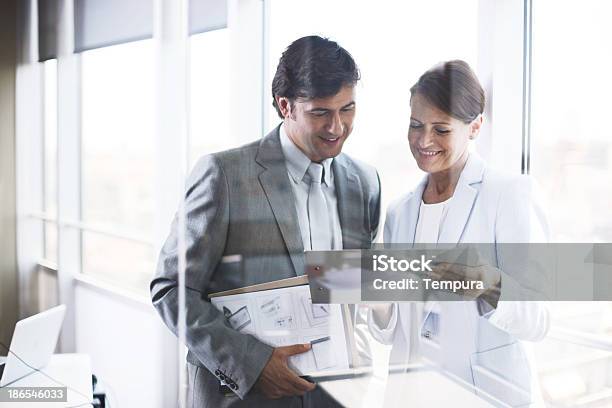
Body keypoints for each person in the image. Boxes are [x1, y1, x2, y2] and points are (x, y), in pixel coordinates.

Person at [151, 35, 381, 407]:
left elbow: (348, 286)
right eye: (321, 112)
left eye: (348, 109)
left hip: (336, 396)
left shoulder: (364, 183)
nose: (337, 127)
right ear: (285, 106)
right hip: (245, 396)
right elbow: (171, 288)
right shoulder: (224, 175)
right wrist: (251, 364)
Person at [369, 60, 549, 406]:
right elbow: (392, 332)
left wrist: (484, 283)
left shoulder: (509, 194)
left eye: (441, 129)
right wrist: (375, 303)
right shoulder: (399, 213)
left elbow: (538, 320)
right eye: (415, 125)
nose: (424, 141)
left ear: (475, 127)